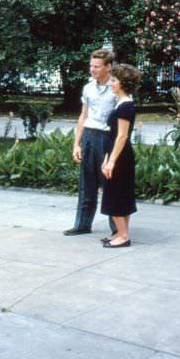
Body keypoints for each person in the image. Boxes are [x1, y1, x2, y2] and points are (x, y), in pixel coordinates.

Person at [64, 48, 118, 237]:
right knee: (86, 182)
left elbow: (124, 119)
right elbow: (83, 116)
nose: (92, 69)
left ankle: (117, 230)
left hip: (107, 138)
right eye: (91, 65)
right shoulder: (88, 88)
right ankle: (82, 224)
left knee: (110, 183)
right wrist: (76, 144)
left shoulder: (117, 88)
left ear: (108, 67)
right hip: (89, 136)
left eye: (96, 66)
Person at [100, 64, 142, 248]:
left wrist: (111, 161)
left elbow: (122, 136)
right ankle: (120, 232)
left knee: (116, 194)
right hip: (117, 154)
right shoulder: (122, 103)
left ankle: (123, 237)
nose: (110, 83)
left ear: (123, 84)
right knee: (119, 193)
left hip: (121, 156)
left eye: (114, 80)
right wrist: (106, 158)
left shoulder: (125, 106)